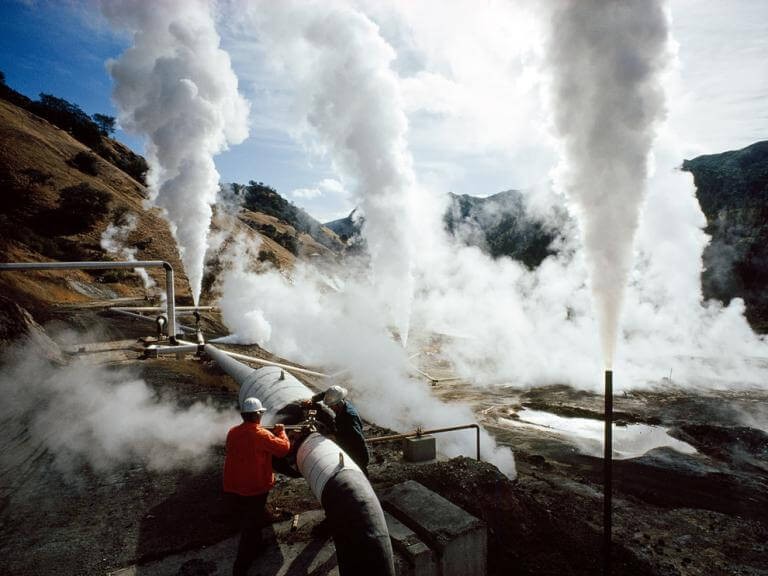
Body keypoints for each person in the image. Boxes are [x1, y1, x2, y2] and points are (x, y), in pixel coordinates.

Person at [223, 397, 290, 576]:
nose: (261, 417)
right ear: (256, 415)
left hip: (234, 484)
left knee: (253, 516)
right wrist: (281, 432)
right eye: (260, 414)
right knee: (250, 526)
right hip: (254, 487)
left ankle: (258, 545)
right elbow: (283, 449)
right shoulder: (261, 435)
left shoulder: (232, 431)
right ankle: (241, 567)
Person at [308, 385, 369, 475]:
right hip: (348, 441)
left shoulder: (349, 418)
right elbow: (327, 393)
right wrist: (313, 399)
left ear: (337, 403)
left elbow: (355, 439)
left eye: (331, 406)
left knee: (358, 473)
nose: (329, 408)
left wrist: (334, 437)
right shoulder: (338, 397)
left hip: (356, 452)